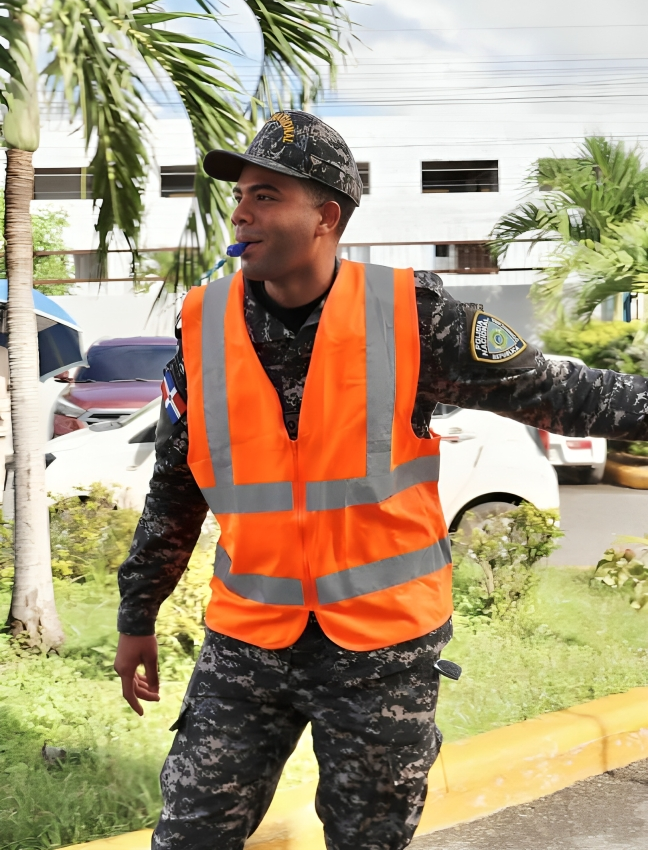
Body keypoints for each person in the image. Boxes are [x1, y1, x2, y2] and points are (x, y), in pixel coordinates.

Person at [114, 110, 648, 850]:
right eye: (240, 194)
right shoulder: (203, 327)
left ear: (326, 215)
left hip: (381, 654)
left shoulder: (414, 319)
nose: (240, 210)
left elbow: (566, 393)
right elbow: (176, 486)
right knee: (189, 835)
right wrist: (137, 612)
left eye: (266, 194)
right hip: (247, 644)